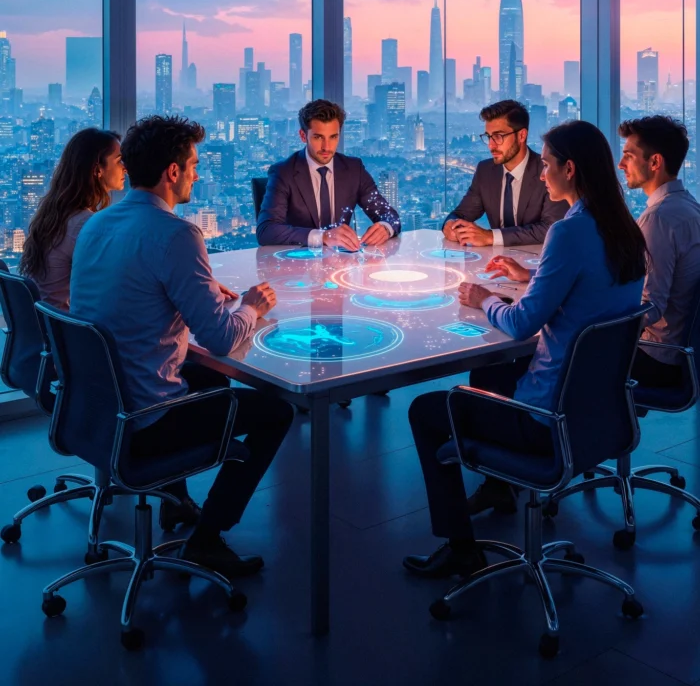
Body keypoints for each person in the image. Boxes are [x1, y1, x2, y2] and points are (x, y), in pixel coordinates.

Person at [404, 121, 646, 578]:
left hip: (545, 422)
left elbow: (519, 325)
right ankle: (498, 489)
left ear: (569, 169)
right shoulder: (624, 229)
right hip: (597, 416)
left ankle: (460, 548)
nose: (541, 174)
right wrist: (532, 279)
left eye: (548, 164)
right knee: (492, 377)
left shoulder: (570, 232)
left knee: (425, 410)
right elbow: (590, 290)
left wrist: (483, 298)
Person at [70, 115, 294, 580]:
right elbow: (223, 339)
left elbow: (136, 290)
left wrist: (198, 290)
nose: (197, 173)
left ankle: (178, 503)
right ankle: (208, 538)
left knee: (208, 377)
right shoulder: (177, 234)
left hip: (98, 406)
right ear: (172, 172)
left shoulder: (97, 225)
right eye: (193, 164)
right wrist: (251, 305)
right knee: (278, 411)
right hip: (146, 418)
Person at [619, 115, 700, 388]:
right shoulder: (690, 207)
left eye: (629, 156)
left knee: (552, 356)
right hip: (680, 352)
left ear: (654, 162)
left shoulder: (659, 219)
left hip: (656, 357)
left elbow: (650, 308)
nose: (621, 165)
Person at [256, 98, 401, 251]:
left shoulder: (353, 169)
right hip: (297, 264)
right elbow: (266, 230)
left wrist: (386, 227)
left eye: (333, 137)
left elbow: (390, 216)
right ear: (303, 136)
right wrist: (323, 236)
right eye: (318, 137)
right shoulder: (283, 172)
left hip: (342, 264)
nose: (326, 147)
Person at [21, 128, 125, 309]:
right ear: (97, 170)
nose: (125, 167)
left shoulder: (56, 215)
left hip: (48, 326)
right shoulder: (85, 224)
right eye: (118, 161)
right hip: (66, 329)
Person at [443, 99, 568, 248]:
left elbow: (550, 228)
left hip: (539, 262)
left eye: (498, 136)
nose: (491, 145)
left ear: (521, 136)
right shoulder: (485, 171)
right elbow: (461, 214)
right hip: (497, 262)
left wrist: (490, 237)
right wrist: (450, 225)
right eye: (488, 137)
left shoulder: (547, 171)